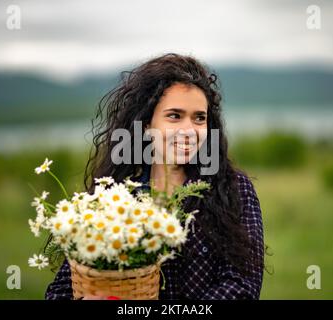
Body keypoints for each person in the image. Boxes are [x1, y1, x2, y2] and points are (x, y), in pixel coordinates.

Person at [45, 53, 264, 300]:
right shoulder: (114, 199)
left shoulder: (234, 190)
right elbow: (59, 291)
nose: (189, 130)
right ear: (147, 125)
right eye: (174, 116)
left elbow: (243, 287)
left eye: (199, 118)